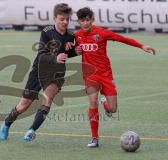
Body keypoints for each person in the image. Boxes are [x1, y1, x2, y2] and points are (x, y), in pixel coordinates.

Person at [66, 7, 156, 148]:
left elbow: (122, 39)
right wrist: (74, 50)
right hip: (90, 75)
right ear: (78, 21)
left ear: (92, 19)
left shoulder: (101, 33)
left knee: (113, 109)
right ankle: (94, 138)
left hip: (106, 75)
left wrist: (141, 46)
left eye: (88, 20)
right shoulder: (77, 35)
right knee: (92, 102)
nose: (85, 23)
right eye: (82, 21)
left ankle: (106, 105)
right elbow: (71, 49)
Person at [0, 3, 81, 141]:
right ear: (54, 18)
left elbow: (66, 53)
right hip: (39, 70)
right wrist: (56, 56)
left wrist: (74, 52)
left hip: (56, 74)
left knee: (47, 99)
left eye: (67, 19)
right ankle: (7, 123)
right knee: (24, 104)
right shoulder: (47, 31)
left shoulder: (71, 36)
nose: (65, 22)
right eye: (62, 19)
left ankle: (31, 130)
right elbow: (42, 53)